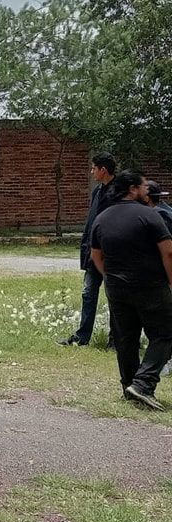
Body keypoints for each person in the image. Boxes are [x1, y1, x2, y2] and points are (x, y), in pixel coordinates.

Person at [89, 170, 172, 411]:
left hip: (116, 287)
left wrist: (111, 278)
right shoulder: (149, 215)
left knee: (126, 339)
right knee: (165, 333)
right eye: (145, 187)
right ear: (133, 189)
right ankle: (143, 384)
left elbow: (96, 255)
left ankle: (129, 386)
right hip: (149, 285)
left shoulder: (102, 218)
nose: (148, 191)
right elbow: (168, 252)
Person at [59, 152, 116, 347]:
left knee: (114, 296)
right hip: (93, 252)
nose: (91, 172)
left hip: (110, 255)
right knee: (88, 293)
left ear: (103, 170)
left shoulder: (118, 193)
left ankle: (115, 340)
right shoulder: (97, 191)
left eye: (94, 168)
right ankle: (82, 336)